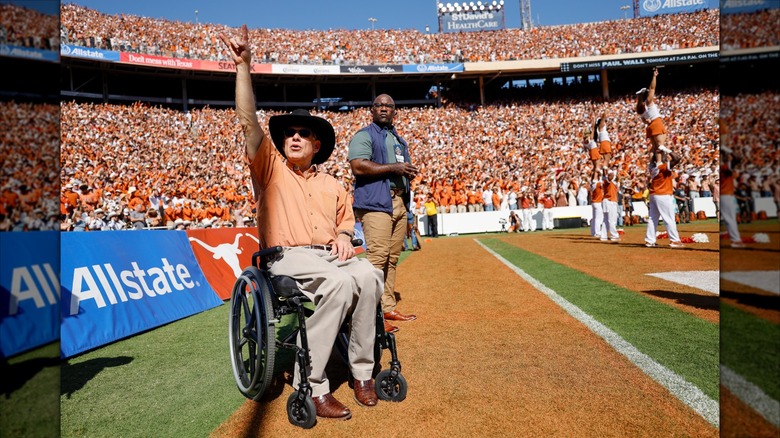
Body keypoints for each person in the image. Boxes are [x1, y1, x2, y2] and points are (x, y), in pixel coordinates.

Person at [221, 25, 384, 420]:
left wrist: (344, 235)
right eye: (289, 133)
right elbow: (247, 121)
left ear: (316, 144)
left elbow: (346, 222)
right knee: (341, 283)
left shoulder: (332, 183)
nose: (294, 137)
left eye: (303, 133)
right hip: (287, 257)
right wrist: (243, 67)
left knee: (369, 276)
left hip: (329, 255)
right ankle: (311, 382)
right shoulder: (269, 169)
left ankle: (362, 372)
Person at [348, 93, 419, 333]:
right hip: (377, 202)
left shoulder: (398, 139)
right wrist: (394, 168)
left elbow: (400, 167)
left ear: (395, 111)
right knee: (377, 259)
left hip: (398, 201)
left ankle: (387, 307)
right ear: (372, 109)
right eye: (379, 105)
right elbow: (358, 166)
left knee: (392, 259)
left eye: (389, 106)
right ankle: (372, 316)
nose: (384, 108)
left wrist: (406, 173)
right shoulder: (364, 135)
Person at [644, 148, 684, 248]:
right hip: (663, 194)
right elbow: (677, 158)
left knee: (653, 218)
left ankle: (650, 240)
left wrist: (657, 150)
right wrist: (665, 148)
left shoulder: (652, 167)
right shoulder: (663, 167)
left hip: (654, 194)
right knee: (669, 218)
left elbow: (652, 156)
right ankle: (674, 240)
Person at [636, 67, 672, 163]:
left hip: (650, 126)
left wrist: (647, 121)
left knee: (654, 147)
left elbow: (644, 120)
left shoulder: (639, 107)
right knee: (660, 146)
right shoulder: (648, 102)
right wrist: (654, 76)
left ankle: (652, 164)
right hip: (656, 122)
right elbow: (652, 88)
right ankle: (659, 163)